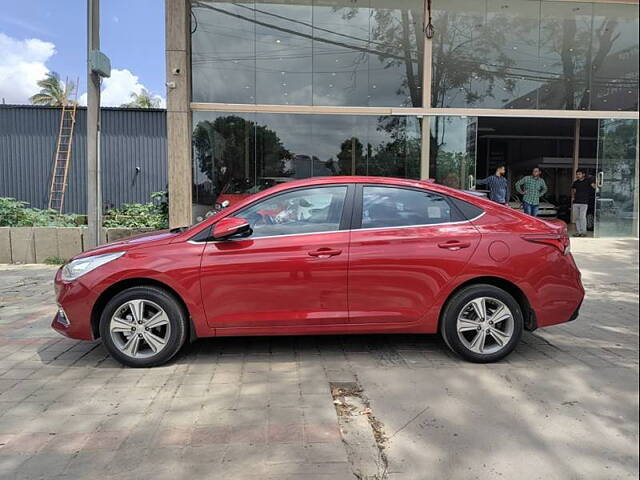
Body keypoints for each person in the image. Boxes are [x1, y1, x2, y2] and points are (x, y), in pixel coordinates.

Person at [571, 169, 596, 237]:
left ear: (583, 174)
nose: (577, 175)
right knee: (576, 217)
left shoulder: (588, 181)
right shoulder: (575, 182)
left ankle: (584, 232)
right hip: (576, 202)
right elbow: (573, 190)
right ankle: (578, 232)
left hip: (584, 202)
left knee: (582, 217)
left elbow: (595, 186)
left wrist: (596, 183)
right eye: (577, 174)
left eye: (579, 174)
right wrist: (573, 198)